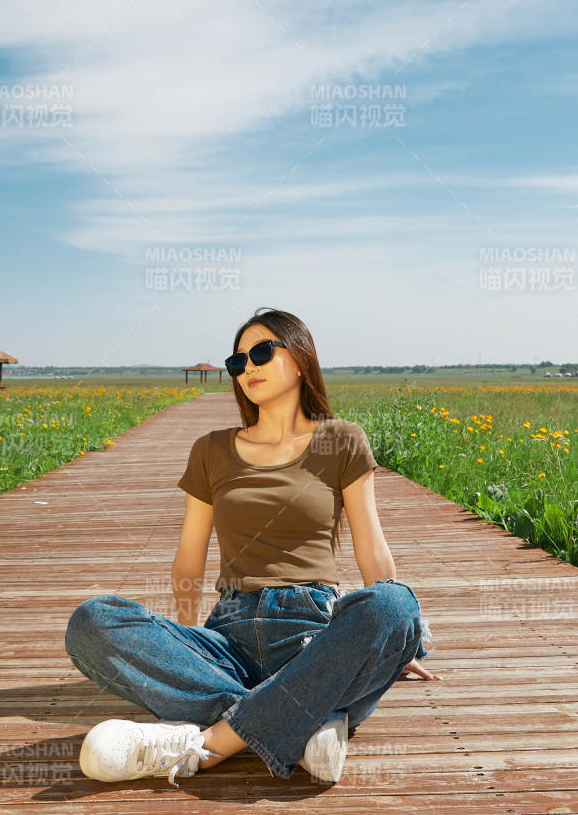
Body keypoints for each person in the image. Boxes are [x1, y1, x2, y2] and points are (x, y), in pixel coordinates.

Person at [64, 307, 438, 787]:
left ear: (301, 359)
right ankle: (308, 721)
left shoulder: (341, 440)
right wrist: (183, 648)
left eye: (261, 352)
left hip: (315, 632)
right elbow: (189, 555)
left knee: (396, 603)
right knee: (92, 622)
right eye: (237, 361)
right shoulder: (212, 449)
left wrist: (389, 639)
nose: (248, 368)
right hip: (229, 635)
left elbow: (371, 546)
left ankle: (208, 746)